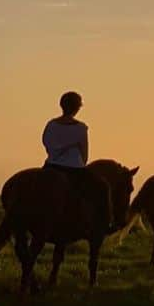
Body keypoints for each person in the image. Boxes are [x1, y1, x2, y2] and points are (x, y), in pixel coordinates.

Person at [42, 91, 111, 234]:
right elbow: (84, 152)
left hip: (50, 166)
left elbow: (45, 143)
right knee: (102, 188)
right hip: (74, 169)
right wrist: (82, 164)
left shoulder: (51, 124)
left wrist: (55, 154)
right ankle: (105, 224)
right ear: (77, 108)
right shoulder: (80, 128)